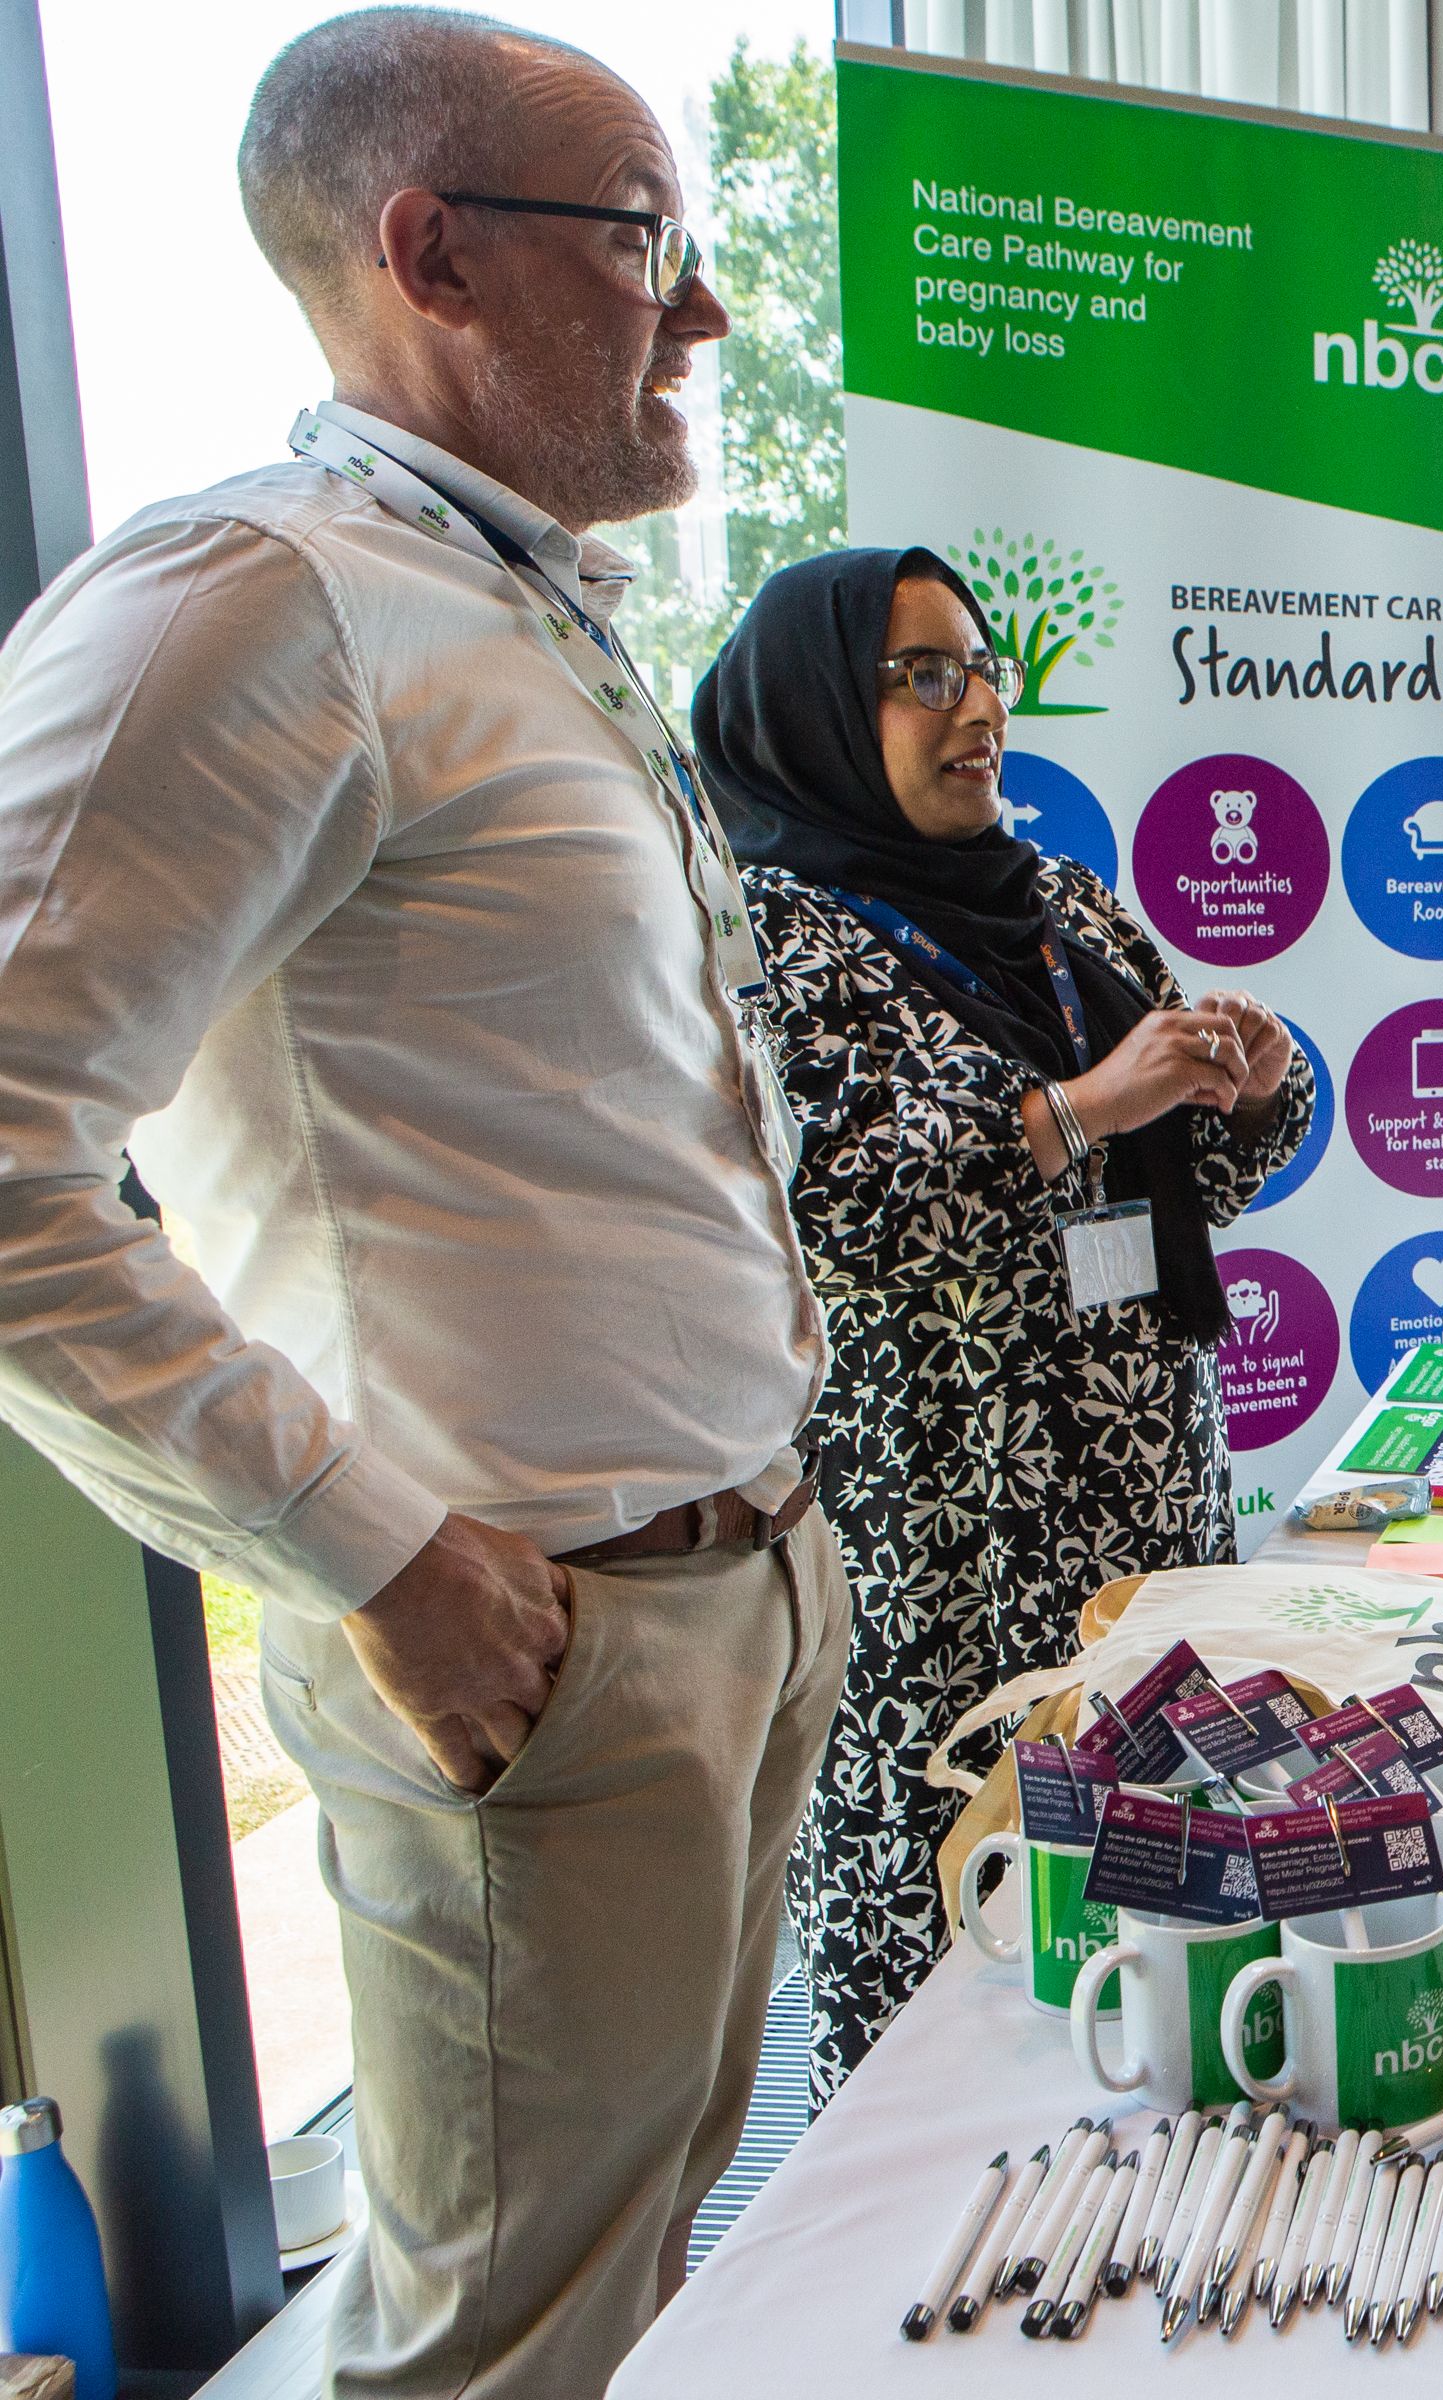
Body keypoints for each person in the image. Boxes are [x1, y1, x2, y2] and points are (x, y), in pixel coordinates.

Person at [0, 12, 844, 2392]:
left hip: (728, 1589)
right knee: (504, 2335)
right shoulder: (254, 603)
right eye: (648, 248)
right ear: (428, 253)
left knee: (641, 2262)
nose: (700, 314)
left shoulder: (512, 609)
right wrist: (367, 1539)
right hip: (529, 1635)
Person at [691, 548, 1314, 2098]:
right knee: (947, 1961)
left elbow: (1193, 1171)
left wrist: (1248, 1074)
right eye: (923, 678)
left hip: (1141, 1508)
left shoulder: (1056, 897)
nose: (977, 709)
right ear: (821, 713)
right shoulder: (764, 941)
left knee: (1158, 1929)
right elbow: (827, 1212)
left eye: (982, 669)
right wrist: (1076, 1109)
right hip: (946, 1541)